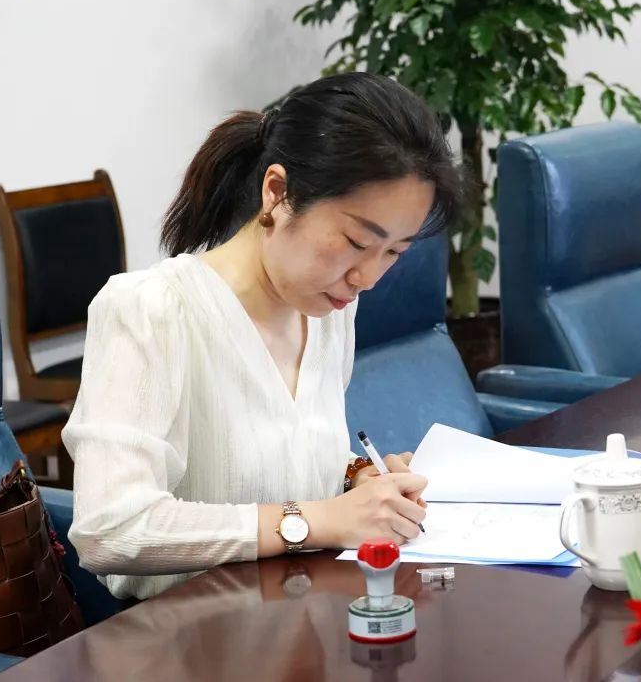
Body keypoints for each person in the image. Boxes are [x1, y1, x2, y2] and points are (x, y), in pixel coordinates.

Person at [63, 72, 464, 599]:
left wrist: (358, 479)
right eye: (355, 241)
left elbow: (280, 453)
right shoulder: (152, 310)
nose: (367, 277)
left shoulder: (330, 311)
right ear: (277, 192)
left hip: (305, 617)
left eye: (393, 252)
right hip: (189, 632)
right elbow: (110, 530)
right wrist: (317, 521)